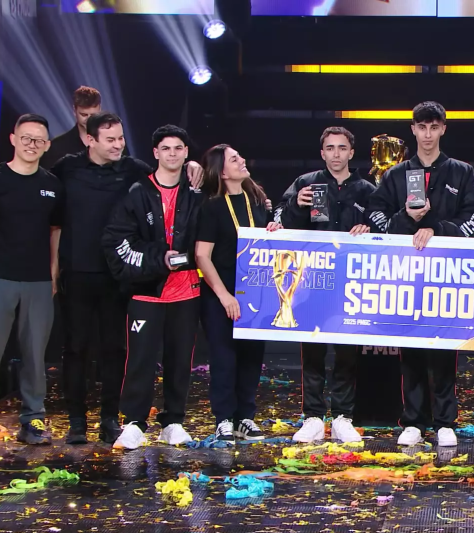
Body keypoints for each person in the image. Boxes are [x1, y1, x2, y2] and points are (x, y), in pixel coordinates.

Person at [52, 113, 202, 445]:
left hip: (131, 282)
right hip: (86, 273)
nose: (118, 144)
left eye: (121, 138)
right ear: (90, 140)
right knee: (77, 348)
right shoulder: (69, 168)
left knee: (120, 350)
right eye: (111, 139)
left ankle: (116, 419)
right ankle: (81, 421)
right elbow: (51, 207)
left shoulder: (140, 173)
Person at [367, 101, 474, 447]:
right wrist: (406, 219)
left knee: (444, 349)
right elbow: (375, 215)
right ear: (413, 130)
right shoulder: (395, 174)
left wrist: (438, 228)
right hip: (406, 274)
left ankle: (445, 421)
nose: (427, 134)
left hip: (447, 274)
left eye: (434, 127)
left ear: (443, 130)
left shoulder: (461, 172)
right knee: (411, 349)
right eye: (421, 127)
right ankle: (413, 421)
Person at [103, 125, 202, 450]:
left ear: (186, 153)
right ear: (155, 153)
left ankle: (173, 421)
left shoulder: (196, 192)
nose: (172, 154)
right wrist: (161, 259)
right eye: (166, 148)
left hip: (187, 291)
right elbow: (117, 241)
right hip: (147, 291)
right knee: (141, 360)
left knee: (180, 360)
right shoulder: (137, 192)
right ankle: (134, 422)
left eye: (178, 148)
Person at [275, 126, 377, 444]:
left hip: (350, 284)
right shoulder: (305, 184)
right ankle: (314, 417)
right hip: (313, 281)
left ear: (351, 152)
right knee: (312, 351)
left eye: (342, 148)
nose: (336, 153)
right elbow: (280, 221)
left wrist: (369, 228)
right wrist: (296, 205)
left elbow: (385, 227)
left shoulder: (367, 189)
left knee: (347, 353)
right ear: (322, 153)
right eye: (330, 148)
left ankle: (343, 417)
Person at [196, 144, 280, 444]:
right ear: (221, 172)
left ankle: (245, 417)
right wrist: (224, 296)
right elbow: (202, 255)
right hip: (221, 294)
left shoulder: (257, 200)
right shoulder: (212, 206)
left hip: (254, 293)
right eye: (234, 159)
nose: (242, 160)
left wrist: (275, 228)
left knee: (251, 357)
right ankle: (223, 419)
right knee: (224, 357)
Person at [0, 114, 63, 444]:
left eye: (39, 140)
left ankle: (33, 419)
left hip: (38, 281)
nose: (32, 144)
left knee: (35, 355)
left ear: (47, 145)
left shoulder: (52, 184)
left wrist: (53, 271)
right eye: (26, 138)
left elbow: (55, 230)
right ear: (13, 139)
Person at [41, 86, 128, 169]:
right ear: (74, 111)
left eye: (93, 114)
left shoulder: (116, 144)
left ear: (100, 109)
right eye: (84, 115)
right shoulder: (57, 147)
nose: (89, 119)